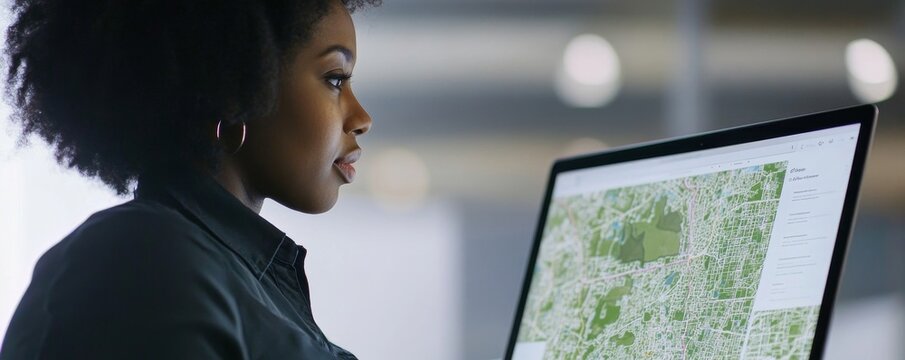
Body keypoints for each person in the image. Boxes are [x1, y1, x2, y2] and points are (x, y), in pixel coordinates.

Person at [0, 0, 378, 358]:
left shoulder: (216, 273)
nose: (362, 118)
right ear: (237, 83)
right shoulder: (141, 263)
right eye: (335, 79)